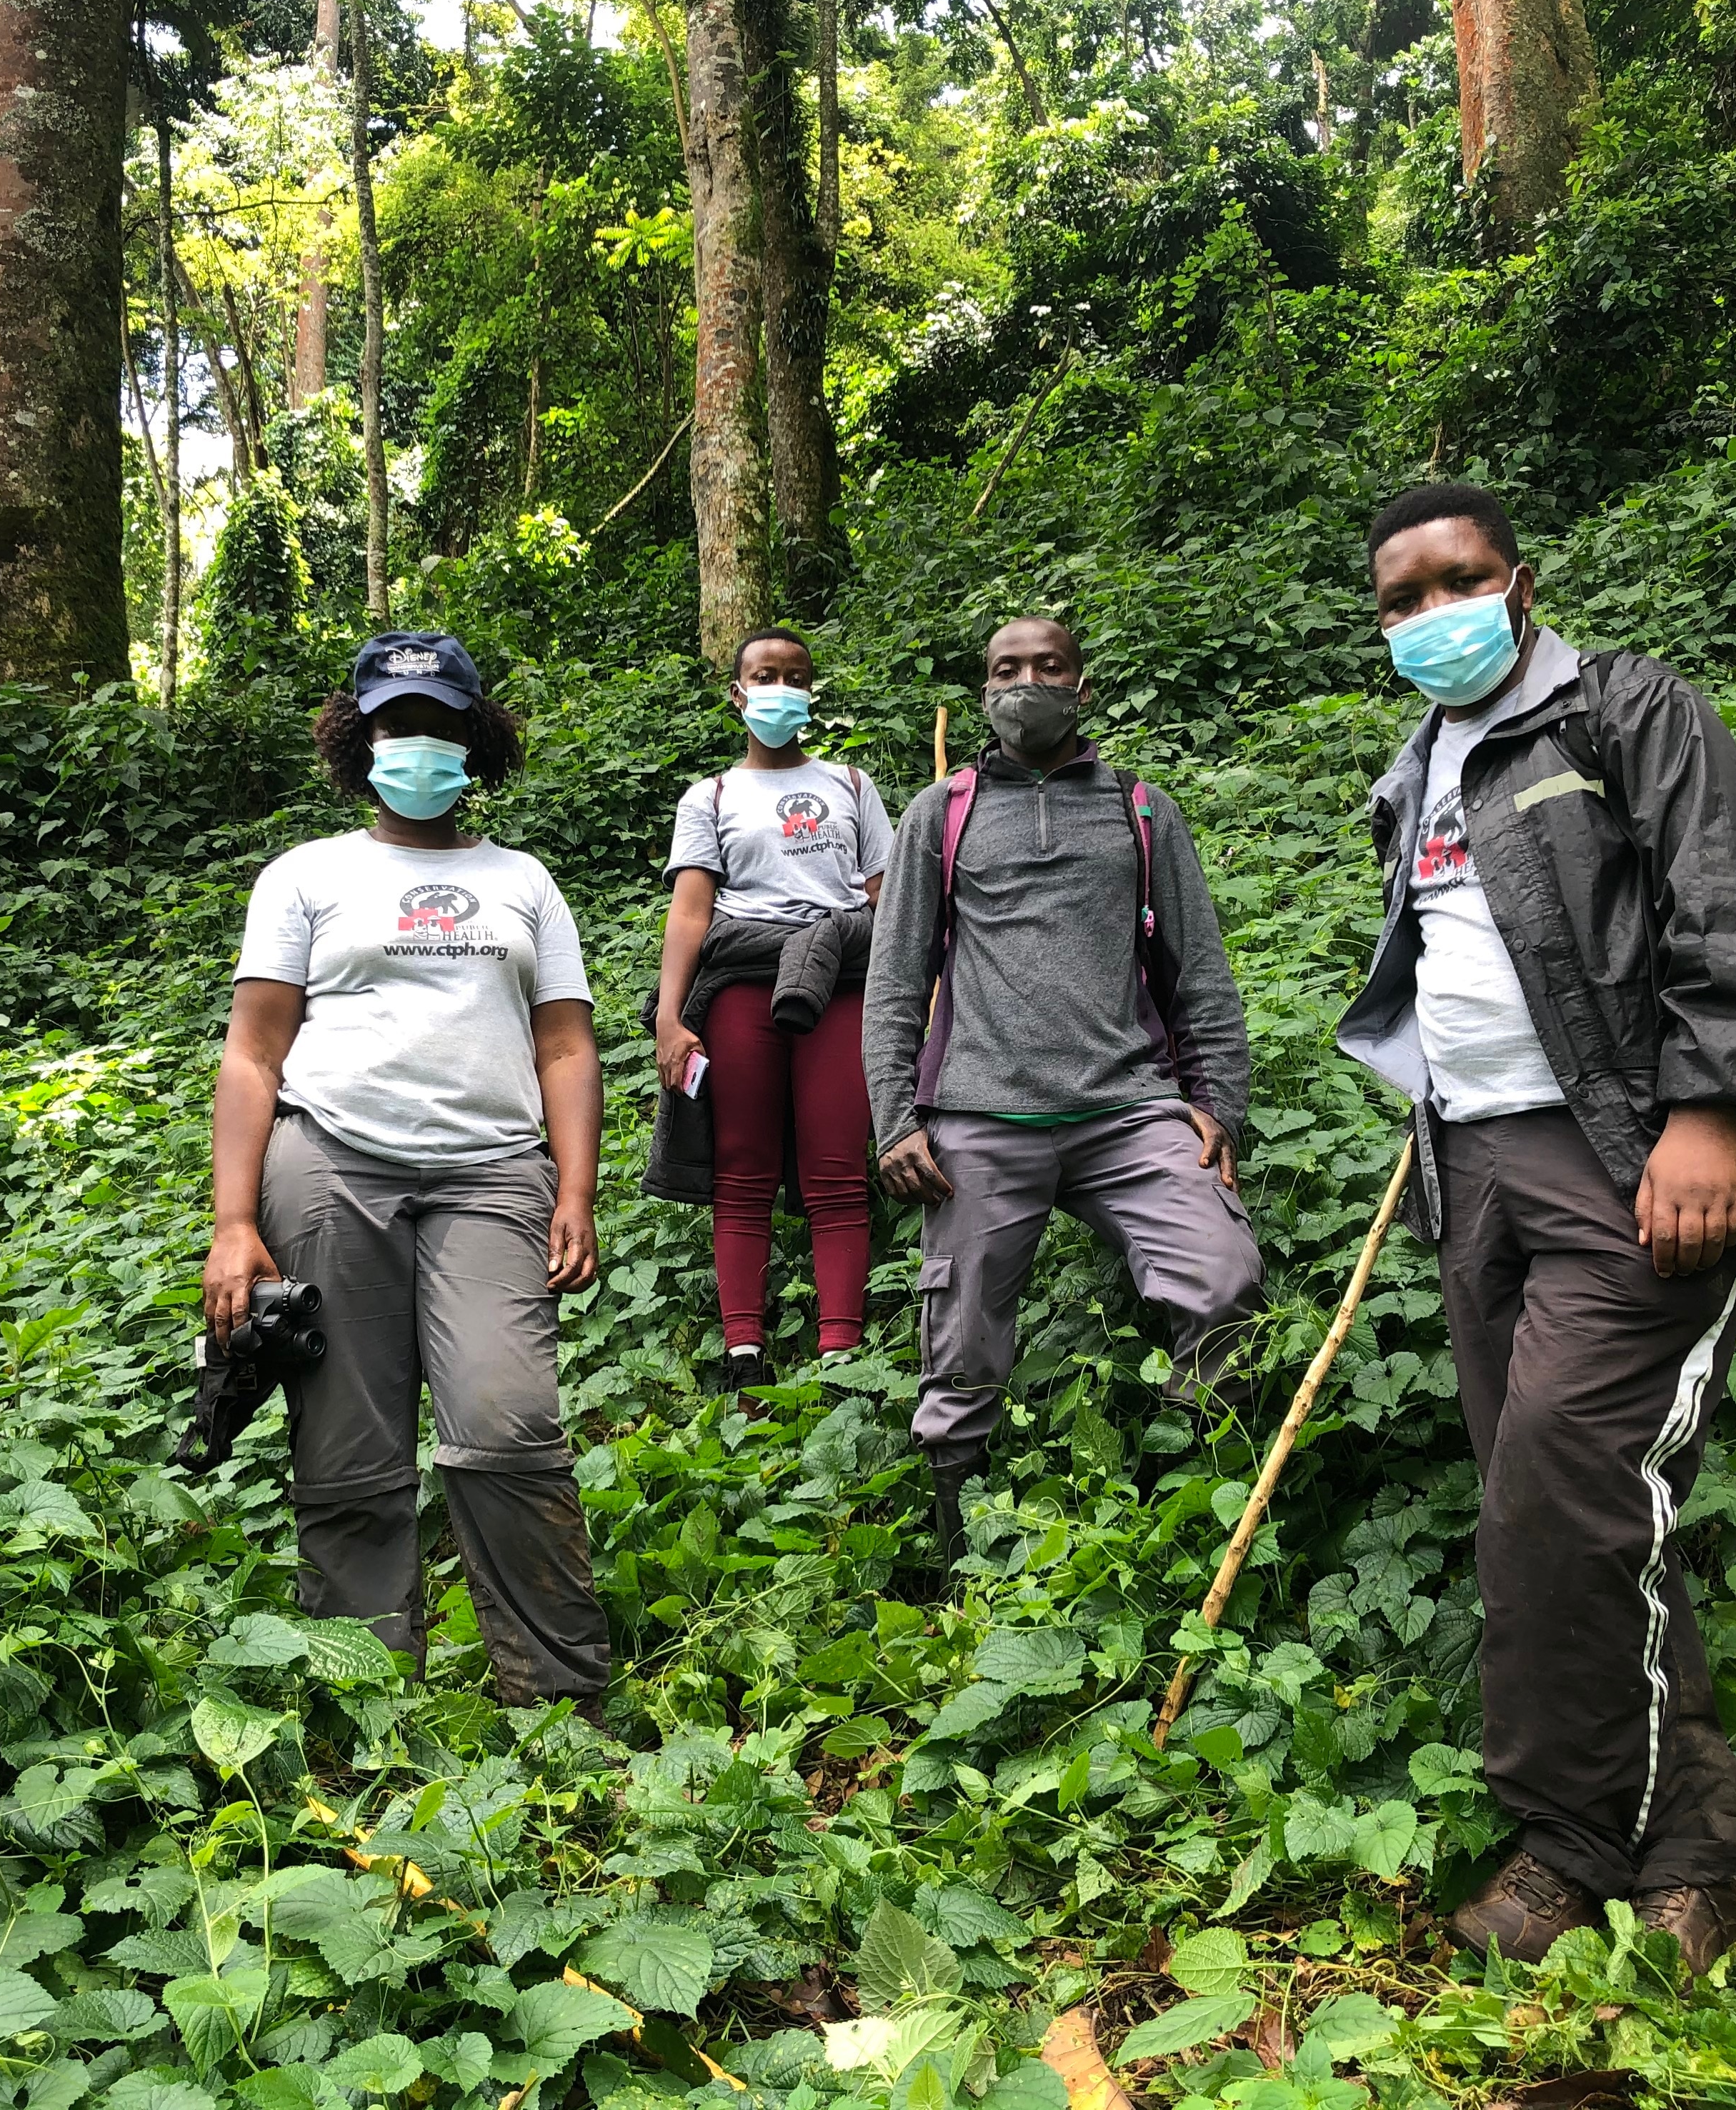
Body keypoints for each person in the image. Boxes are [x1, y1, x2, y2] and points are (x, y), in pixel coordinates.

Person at [1335, 482, 1736, 1972]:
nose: (1432, 617)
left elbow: (1733, 915)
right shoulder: (1417, 765)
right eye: (1401, 600)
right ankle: (1684, 1858)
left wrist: (1709, 1113)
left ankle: (1579, 1843)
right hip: (1473, 1171)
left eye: (1456, 582)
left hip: (1628, 1160)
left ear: (1520, 582)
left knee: (1561, 1489)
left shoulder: (1625, 713)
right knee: (1573, 1514)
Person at [204, 631, 612, 1713]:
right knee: (346, 1449)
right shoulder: (308, 875)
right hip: (331, 1164)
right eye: (396, 725)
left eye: (437, 725)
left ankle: (559, 1699)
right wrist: (232, 1222)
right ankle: (370, 1703)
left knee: (508, 1423)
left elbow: (566, 1045)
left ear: (473, 739)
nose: (416, 744)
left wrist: (574, 1189)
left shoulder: (522, 881)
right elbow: (253, 1051)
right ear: (361, 739)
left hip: (490, 1174)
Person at [862, 616, 1260, 1566]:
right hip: (979, 1119)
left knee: (1225, 1280)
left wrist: (1220, 1104)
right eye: (1007, 669)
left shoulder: (1141, 809)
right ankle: (963, 1549)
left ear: (1082, 686)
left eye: (1047, 667)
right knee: (959, 1343)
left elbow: (1197, 965)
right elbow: (895, 979)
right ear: (983, 690)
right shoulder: (939, 815)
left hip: (1130, 1109)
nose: (1026, 683)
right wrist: (893, 1119)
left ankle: (1189, 1510)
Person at [649, 627, 895, 1393]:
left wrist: (915, 993)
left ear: (811, 692)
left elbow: (886, 898)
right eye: (764, 674)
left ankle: (840, 1351)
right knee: (742, 1168)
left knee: (836, 1169)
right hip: (745, 985)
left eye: (794, 675)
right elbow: (691, 911)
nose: (779, 686)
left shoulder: (851, 785)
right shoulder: (711, 796)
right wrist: (668, 1013)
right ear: (738, 692)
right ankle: (744, 1347)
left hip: (842, 985)